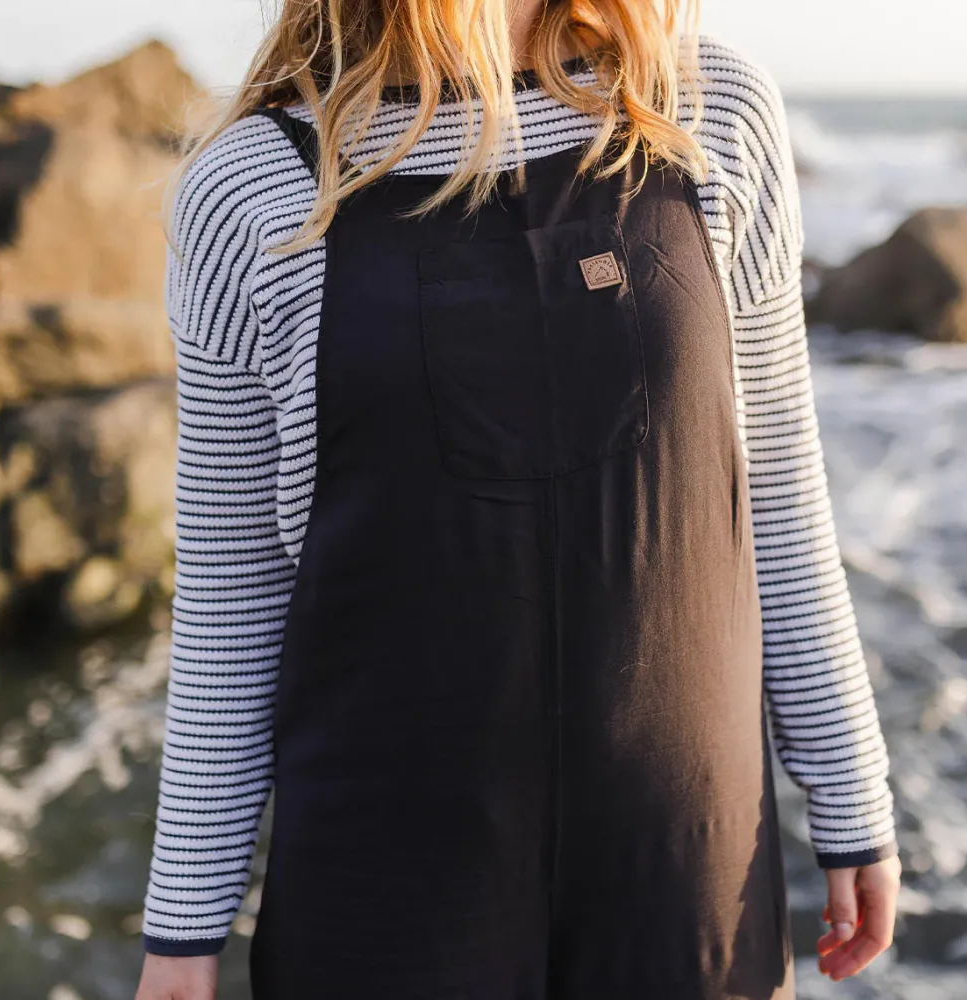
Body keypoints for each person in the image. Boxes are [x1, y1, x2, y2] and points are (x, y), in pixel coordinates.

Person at [134, 2, 901, 998]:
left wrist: (852, 797)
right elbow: (232, 595)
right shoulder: (254, 186)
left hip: (690, 872)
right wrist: (183, 928)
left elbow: (778, 496)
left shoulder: (706, 110)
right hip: (383, 895)